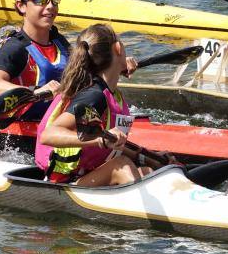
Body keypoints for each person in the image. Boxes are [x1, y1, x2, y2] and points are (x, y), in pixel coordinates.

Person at [35, 24, 153, 186]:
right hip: (64, 182)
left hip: (88, 173)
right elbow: (49, 135)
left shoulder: (107, 91)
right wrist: (99, 140)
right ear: (118, 48)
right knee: (122, 166)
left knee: (149, 172)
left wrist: (150, 158)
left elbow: (111, 143)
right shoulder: (93, 95)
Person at [0, 0, 69, 119]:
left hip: (51, 127)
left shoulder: (60, 42)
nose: (50, 6)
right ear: (21, 6)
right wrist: (35, 92)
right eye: (41, 0)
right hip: (23, 127)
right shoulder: (15, 47)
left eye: (54, 0)